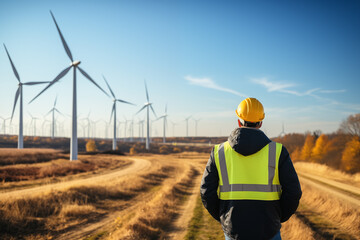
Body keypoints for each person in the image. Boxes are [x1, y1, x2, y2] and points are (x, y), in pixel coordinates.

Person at [200, 97, 302, 240]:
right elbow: (293, 192)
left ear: (238, 121)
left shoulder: (219, 151)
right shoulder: (278, 151)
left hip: (233, 229)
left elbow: (206, 192)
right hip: (269, 228)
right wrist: (278, 217)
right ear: (260, 123)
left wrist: (224, 216)